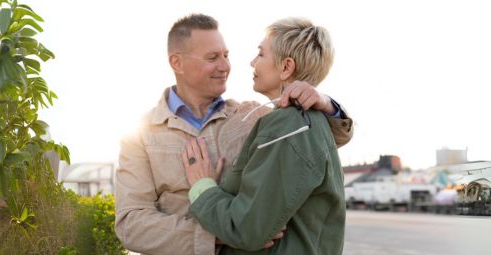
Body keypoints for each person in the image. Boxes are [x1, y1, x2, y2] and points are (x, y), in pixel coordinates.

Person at [114, 14, 354, 255]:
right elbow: (130, 225)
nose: (225, 66)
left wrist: (324, 102)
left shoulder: (254, 115)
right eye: (212, 58)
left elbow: (322, 140)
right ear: (177, 63)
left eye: (226, 56)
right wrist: (215, 236)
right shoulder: (141, 135)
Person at [183, 17, 344, 254]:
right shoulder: (301, 121)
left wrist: (202, 187)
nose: (252, 62)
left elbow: (248, 229)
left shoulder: (289, 126)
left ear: (286, 67)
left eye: (260, 54)